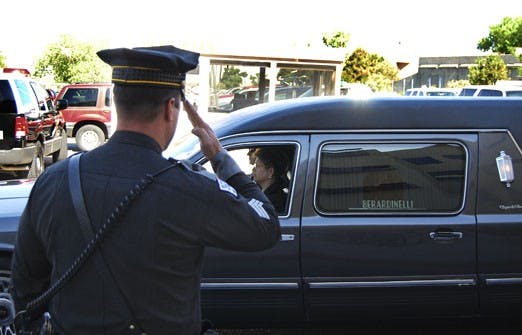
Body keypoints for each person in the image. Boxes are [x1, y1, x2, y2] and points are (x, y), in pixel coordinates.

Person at [10, 45, 281, 335]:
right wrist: (218, 155)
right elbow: (265, 227)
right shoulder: (191, 188)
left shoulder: (54, 180)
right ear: (170, 108)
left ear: (116, 101)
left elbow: (25, 288)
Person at [251, 147, 290, 214]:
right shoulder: (262, 193)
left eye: (258, 166)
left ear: (270, 172)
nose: (253, 169)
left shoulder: (273, 200)